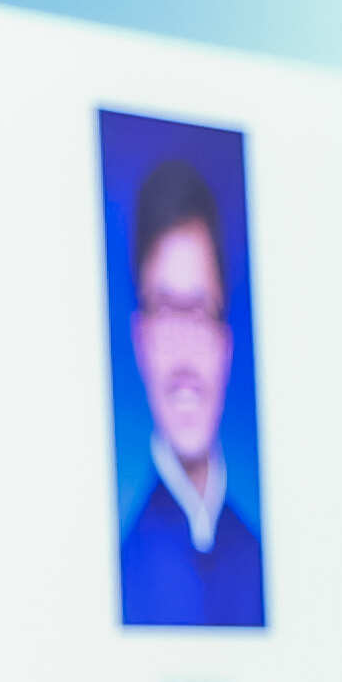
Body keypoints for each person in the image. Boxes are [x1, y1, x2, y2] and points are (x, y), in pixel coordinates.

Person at [118, 153, 265, 631]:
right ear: (140, 339)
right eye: (165, 310)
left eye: (199, 310)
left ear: (226, 343)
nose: (184, 354)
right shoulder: (121, 572)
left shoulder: (263, 564)